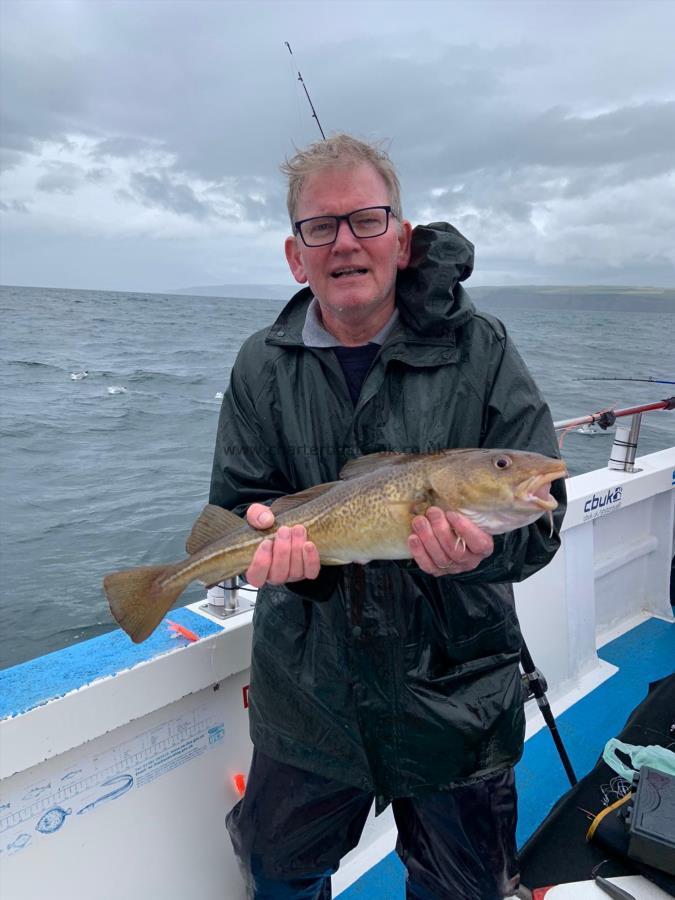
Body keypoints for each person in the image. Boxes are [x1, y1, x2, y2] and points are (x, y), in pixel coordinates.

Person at [209, 133, 566, 900]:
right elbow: (242, 503)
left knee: (460, 887)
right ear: (293, 254)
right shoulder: (258, 365)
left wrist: (481, 556)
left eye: (366, 220)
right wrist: (280, 563)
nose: (344, 242)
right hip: (308, 691)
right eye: (320, 227)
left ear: (401, 241)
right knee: (278, 868)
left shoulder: (482, 348)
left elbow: (541, 516)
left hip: (455, 696)